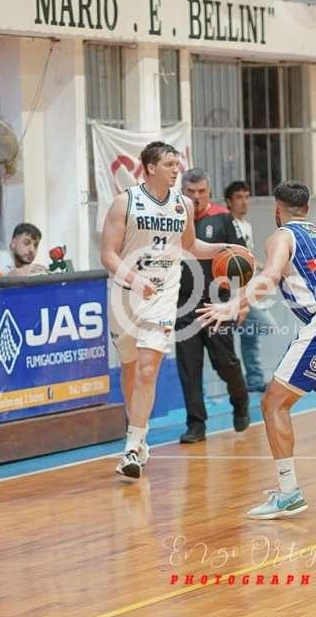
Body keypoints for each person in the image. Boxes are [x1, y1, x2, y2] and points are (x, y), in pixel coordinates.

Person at [198, 181, 316, 520]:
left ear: (277, 210)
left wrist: (232, 305)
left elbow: (272, 275)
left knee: (273, 403)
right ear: (307, 209)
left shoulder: (282, 236)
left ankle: (288, 492)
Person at [100, 142, 236, 479]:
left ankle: (132, 446)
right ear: (149, 167)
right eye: (169, 164)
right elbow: (108, 255)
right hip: (126, 294)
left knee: (148, 370)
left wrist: (225, 248)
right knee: (130, 368)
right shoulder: (125, 202)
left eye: (177, 164)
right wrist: (134, 279)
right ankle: (138, 433)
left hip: (163, 295)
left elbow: (190, 246)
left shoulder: (183, 205)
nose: (176, 169)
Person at [175, 169, 250, 443]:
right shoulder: (173, 220)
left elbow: (241, 261)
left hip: (218, 302)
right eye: (190, 192)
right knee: (189, 367)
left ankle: (240, 401)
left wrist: (242, 302)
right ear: (182, 192)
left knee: (225, 363)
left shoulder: (223, 218)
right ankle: (196, 425)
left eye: (201, 192)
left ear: (209, 192)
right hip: (183, 305)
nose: (196, 197)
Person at [226, 180, 274, 392]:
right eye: (239, 197)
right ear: (229, 201)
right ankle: (241, 381)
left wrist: (265, 266)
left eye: (247, 197)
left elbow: (247, 257)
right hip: (233, 290)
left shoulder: (246, 226)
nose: (244, 202)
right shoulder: (228, 225)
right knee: (266, 324)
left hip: (247, 287)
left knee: (250, 337)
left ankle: (254, 380)